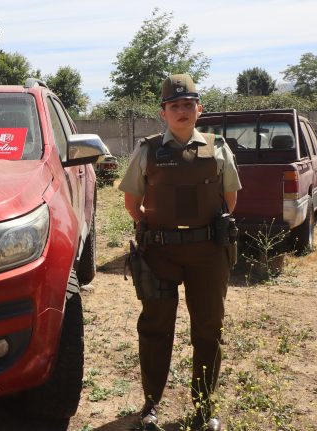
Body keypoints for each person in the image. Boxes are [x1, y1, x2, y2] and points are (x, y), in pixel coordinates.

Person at [119, 74, 241, 431]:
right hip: (160, 255)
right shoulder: (147, 150)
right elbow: (132, 202)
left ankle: (204, 408)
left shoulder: (218, 147)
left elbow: (230, 200)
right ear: (164, 113)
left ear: (199, 109)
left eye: (188, 104)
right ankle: (151, 406)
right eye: (175, 105)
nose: (182, 111)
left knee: (208, 328)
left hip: (208, 254)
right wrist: (159, 232)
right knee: (156, 327)